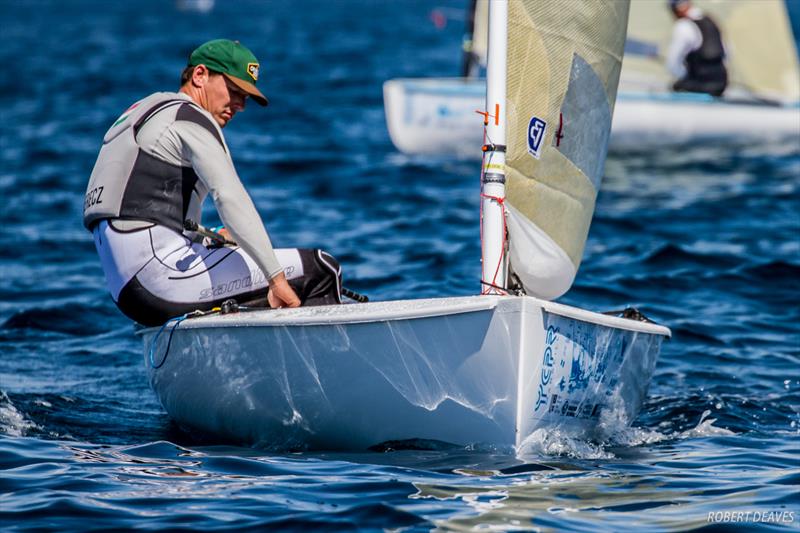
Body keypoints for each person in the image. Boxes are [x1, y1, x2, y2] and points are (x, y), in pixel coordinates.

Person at [83, 39, 342, 326]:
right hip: (159, 278)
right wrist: (275, 277)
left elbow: (139, 212)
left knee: (236, 256)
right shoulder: (191, 117)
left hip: (126, 290)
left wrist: (208, 237)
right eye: (234, 91)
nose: (240, 105)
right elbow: (229, 197)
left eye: (246, 98)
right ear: (199, 75)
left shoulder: (140, 113)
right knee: (317, 269)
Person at [666, 0, 728, 97]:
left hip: (699, 83)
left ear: (677, 9)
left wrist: (685, 77)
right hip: (721, 83)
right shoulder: (711, 20)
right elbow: (727, 53)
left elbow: (672, 63)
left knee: (676, 87)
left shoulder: (683, 25)